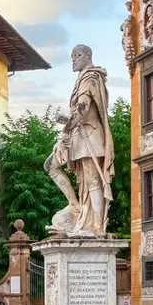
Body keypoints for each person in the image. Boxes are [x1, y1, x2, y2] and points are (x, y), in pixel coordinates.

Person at [44, 44, 115, 235]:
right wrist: (68, 125)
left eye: (77, 55)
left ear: (87, 56)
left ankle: (97, 226)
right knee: (50, 165)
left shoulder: (90, 77)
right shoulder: (82, 78)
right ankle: (75, 206)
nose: (73, 60)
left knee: (92, 179)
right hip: (77, 134)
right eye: (72, 56)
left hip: (89, 135)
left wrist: (67, 127)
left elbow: (83, 109)